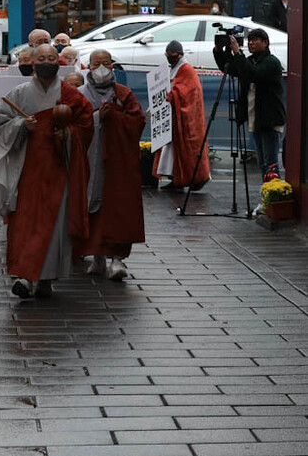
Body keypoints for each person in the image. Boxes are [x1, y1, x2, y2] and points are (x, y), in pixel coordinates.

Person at [0, 45, 94, 298]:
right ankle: (25, 277)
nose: (46, 62)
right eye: (41, 58)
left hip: (59, 167)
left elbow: (86, 125)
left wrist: (68, 133)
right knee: (25, 222)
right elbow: (1, 124)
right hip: (27, 168)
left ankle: (47, 278)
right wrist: (21, 125)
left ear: (58, 62)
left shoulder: (71, 94)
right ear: (32, 63)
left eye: (51, 58)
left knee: (55, 223)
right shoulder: (20, 93)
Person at [75, 49, 147, 281]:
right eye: (97, 63)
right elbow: (73, 125)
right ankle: (96, 258)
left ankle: (117, 259)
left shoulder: (123, 94)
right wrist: (97, 118)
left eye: (106, 63)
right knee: (90, 209)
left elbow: (138, 122)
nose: (102, 68)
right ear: (88, 67)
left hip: (118, 164)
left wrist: (114, 117)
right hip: (89, 161)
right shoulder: (78, 95)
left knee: (118, 209)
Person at [215, 28, 286, 180]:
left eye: (255, 40)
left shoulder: (271, 63)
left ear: (265, 43)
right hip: (257, 119)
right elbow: (230, 68)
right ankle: (267, 199)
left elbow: (253, 74)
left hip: (270, 120)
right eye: (249, 41)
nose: (251, 43)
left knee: (271, 165)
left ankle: (275, 200)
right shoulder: (250, 60)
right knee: (262, 164)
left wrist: (238, 54)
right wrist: (219, 50)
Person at [152, 40, 211, 191]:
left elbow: (186, 91)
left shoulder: (187, 70)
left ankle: (195, 179)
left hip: (187, 120)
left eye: (170, 55)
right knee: (171, 151)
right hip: (173, 117)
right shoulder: (176, 69)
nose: (168, 58)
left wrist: (172, 97)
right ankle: (175, 178)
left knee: (188, 150)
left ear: (179, 55)